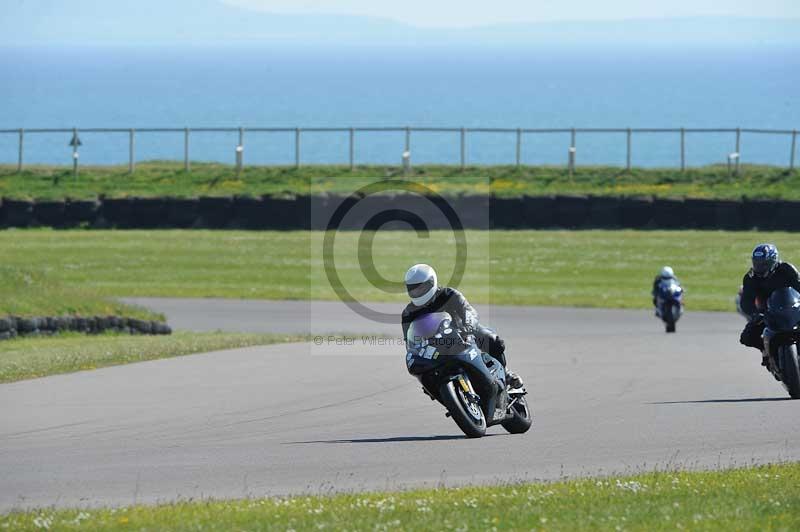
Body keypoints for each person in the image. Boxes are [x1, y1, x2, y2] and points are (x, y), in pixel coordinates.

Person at [401, 263, 523, 389]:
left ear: (431, 283)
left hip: (463, 333)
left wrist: (468, 327)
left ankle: (505, 372)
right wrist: (415, 351)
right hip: (434, 346)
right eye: (413, 289)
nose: (417, 292)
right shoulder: (408, 313)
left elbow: (469, 312)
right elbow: (409, 342)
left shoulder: (449, 295)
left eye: (420, 288)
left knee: (491, 339)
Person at [739, 244, 800, 366]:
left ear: (773, 261)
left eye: (763, 264)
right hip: (768, 313)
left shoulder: (786, 269)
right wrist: (754, 314)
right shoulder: (750, 278)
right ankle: (766, 351)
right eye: (756, 263)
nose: (759, 267)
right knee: (747, 337)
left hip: (792, 309)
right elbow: (746, 300)